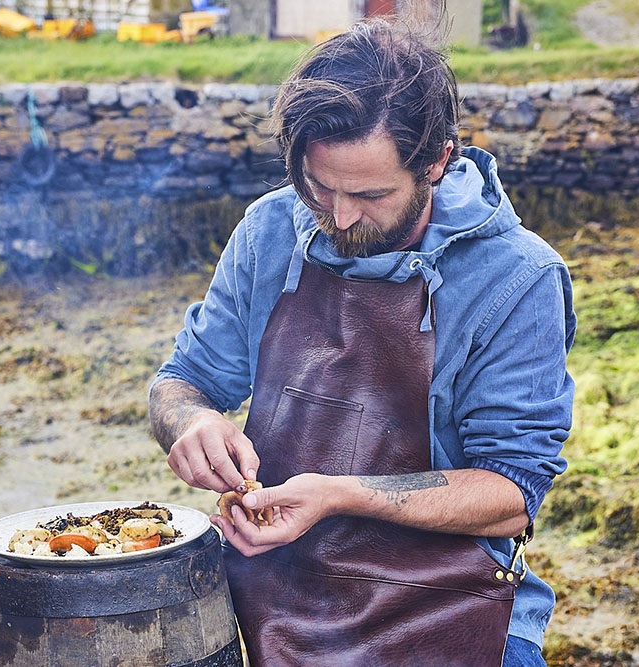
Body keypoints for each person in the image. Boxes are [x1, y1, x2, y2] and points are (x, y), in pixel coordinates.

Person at [149, 11, 575, 667]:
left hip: (451, 607)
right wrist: (191, 421)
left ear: (436, 160)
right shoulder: (268, 230)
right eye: (319, 186)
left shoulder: (518, 278)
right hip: (277, 597)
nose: (340, 216)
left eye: (370, 194)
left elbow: (511, 493)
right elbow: (183, 379)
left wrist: (337, 493)